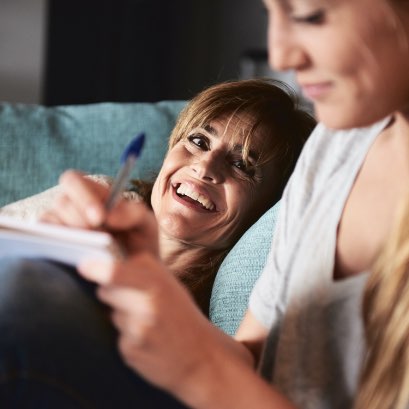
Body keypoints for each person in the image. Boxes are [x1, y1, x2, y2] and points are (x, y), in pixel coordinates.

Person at [39, 0, 409, 408]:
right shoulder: (333, 148)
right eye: (271, 12)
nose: (281, 54)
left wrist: (196, 366)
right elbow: (248, 358)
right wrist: (151, 288)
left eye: (308, 15)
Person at [0, 78, 315, 407]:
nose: (204, 167)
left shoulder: (197, 324)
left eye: (241, 165)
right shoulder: (96, 194)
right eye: (198, 141)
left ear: (266, 206)